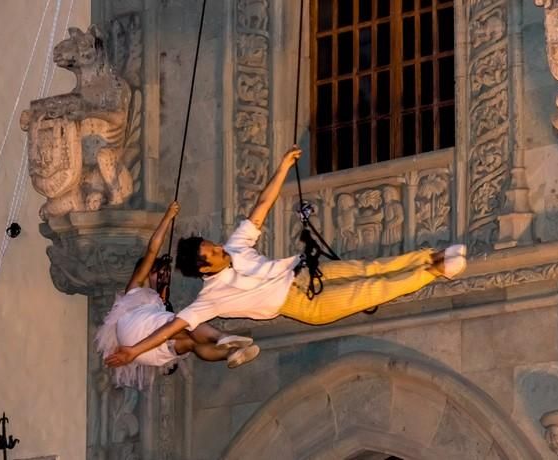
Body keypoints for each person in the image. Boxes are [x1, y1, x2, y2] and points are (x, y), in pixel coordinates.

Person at [104, 146, 467, 368]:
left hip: (304, 274)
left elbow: (261, 205)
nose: (218, 249)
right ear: (204, 269)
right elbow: (170, 328)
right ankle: (436, 270)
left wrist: (282, 167)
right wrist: (134, 351)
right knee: (371, 290)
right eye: (211, 253)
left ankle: (430, 256)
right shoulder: (208, 300)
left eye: (212, 244)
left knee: (368, 267)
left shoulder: (236, 246)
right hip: (304, 307)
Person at [96, 201, 260, 388]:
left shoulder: (158, 303)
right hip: (134, 332)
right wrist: (167, 217)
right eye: (158, 271)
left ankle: (230, 354)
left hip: (146, 350)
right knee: (188, 322)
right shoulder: (136, 288)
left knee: (191, 343)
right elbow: (152, 249)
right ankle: (221, 336)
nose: (162, 275)